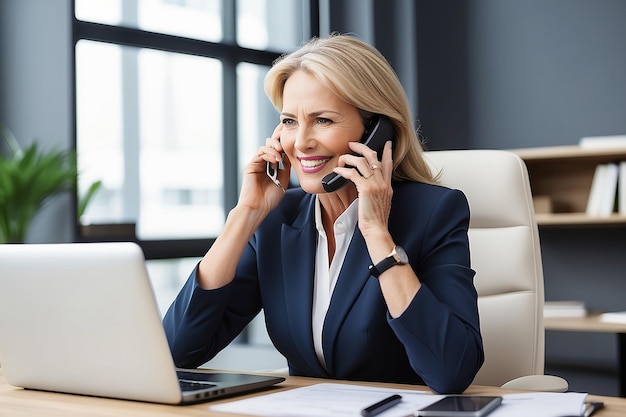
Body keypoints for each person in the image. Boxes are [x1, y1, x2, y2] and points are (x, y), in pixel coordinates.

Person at [163, 34, 483, 394]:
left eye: (323, 121)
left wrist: (377, 232)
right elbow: (177, 351)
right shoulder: (277, 221)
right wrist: (245, 215)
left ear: (378, 131)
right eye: (289, 121)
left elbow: (451, 370)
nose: (300, 143)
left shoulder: (433, 213)